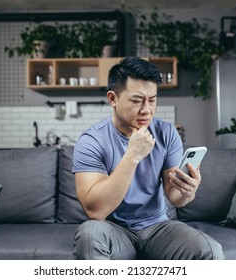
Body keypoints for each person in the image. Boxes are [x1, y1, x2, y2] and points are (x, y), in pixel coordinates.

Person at [72, 57, 224, 260]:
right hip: (113, 230)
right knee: (90, 233)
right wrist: (132, 156)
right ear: (112, 99)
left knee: (209, 250)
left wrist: (188, 191)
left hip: (157, 228)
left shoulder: (166, 133)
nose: (147, 109)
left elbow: (175, 197)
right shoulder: (92, 141)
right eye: (136, 101)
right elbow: (95, 211)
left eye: (152, 100)